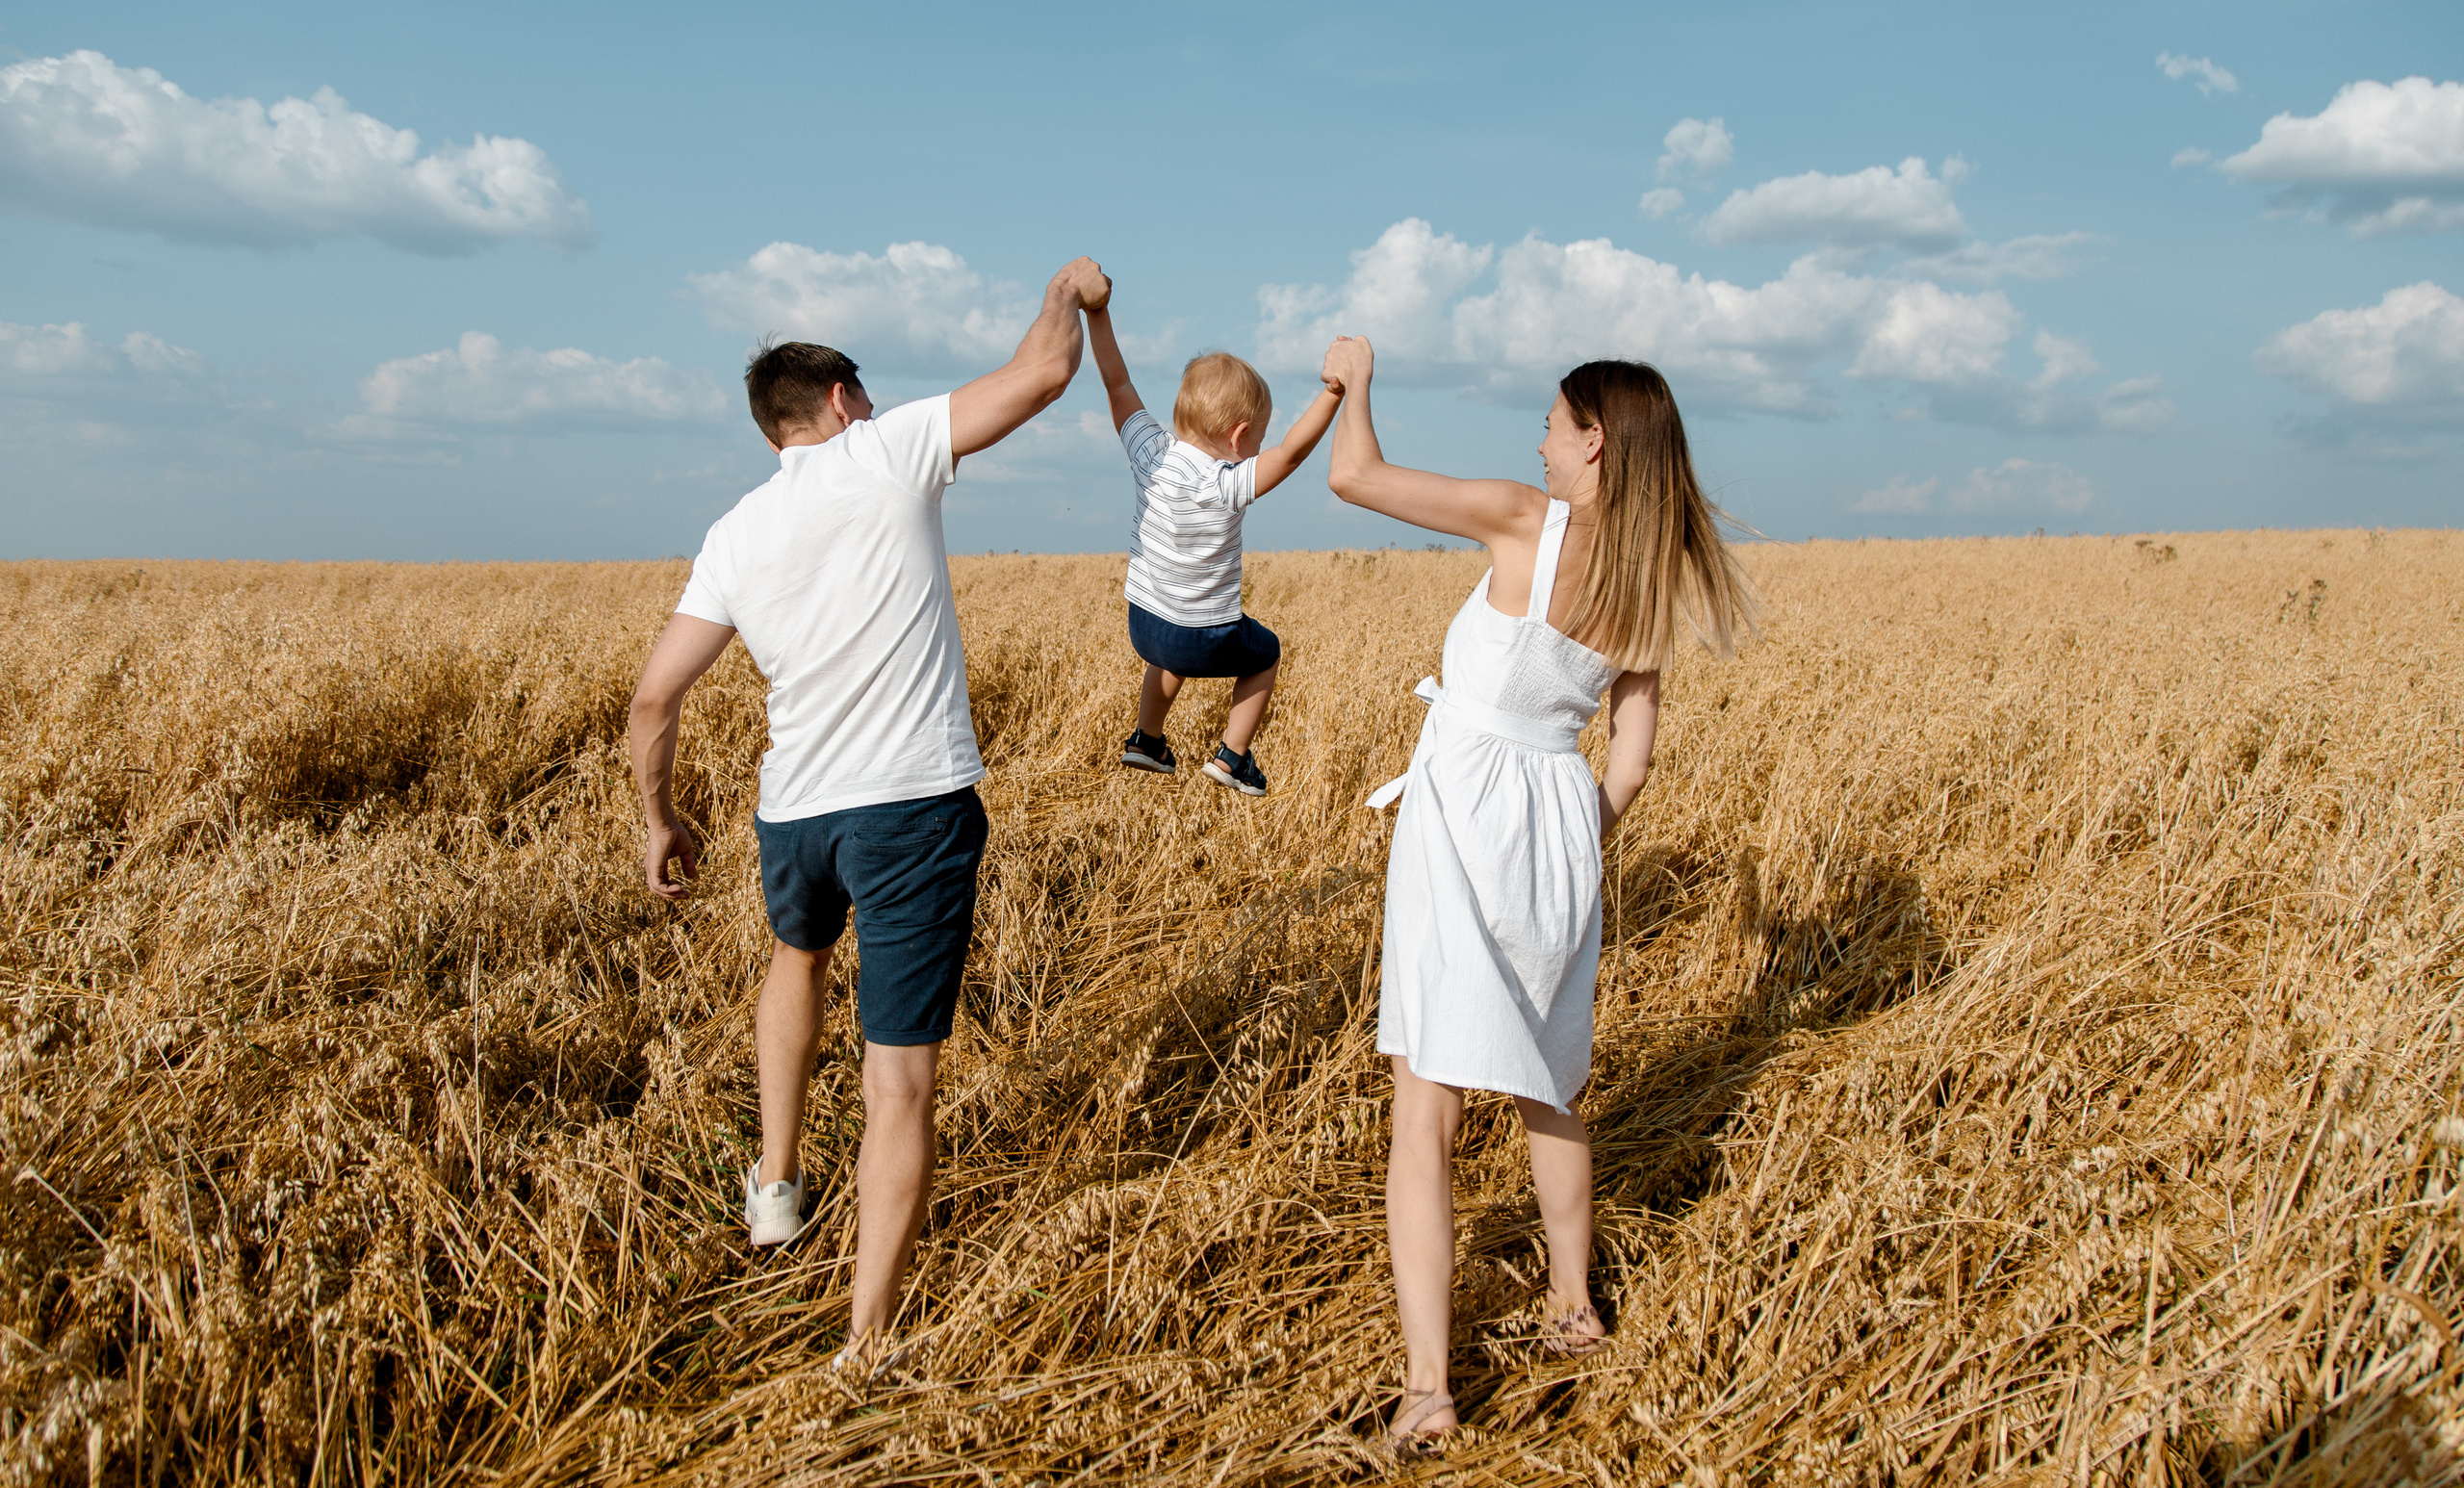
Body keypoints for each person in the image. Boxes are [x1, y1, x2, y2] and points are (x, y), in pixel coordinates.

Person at [625, 256, 1113, 1359]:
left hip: (795, 811)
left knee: (795, 959)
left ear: (770, 432)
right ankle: (865, 1337)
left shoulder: (735, 529)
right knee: (899, 1079)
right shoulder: (884, 451)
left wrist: (658, 818)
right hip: (910, 810)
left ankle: (777, 1181)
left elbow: (655, 696)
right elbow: (1042, 375)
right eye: (869, 396)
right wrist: (1064, 292)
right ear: (843, 402)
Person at [1322, 335, 1754, 1452]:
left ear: (1593, 440)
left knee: (1427, 1100)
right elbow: (1634, 755)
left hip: (1462, 809)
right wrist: (1574, 836)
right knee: (1549, 1077)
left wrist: (1355, 380)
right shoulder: (1651, 574)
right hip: (1562, 817)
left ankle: (1429, 1389)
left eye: (1553, 424)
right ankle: (1573, 1307)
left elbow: (1352, 477)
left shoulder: (1524, 517)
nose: (1539, 440)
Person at [1085, 301, 1340, 796]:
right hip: (1204, 635)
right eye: (1259, 438)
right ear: (1240, 436)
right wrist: (1335, 392)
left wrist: (1097, 314)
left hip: (1144, 625)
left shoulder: (1150, 455)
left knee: (1169, 645)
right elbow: (1291, 454)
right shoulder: (1227, 483)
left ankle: (1147, 738)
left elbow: (1117, 383)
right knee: (1265, 654)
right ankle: (1233, 757)